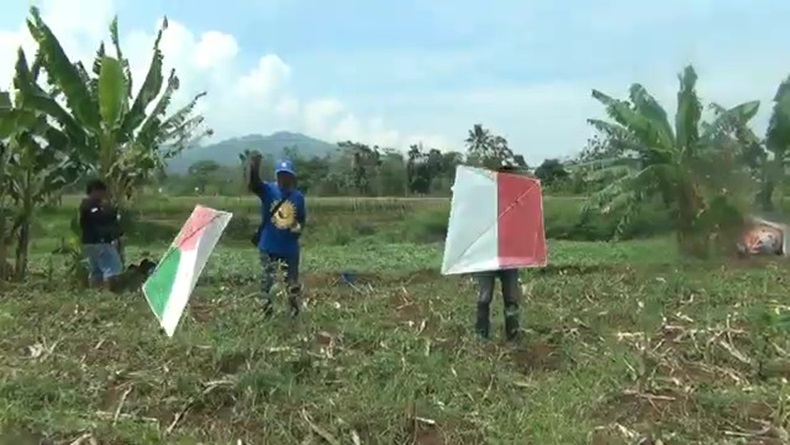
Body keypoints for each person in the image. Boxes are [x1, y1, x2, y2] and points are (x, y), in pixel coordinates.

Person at [247, 153, 306, 318]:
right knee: (267, 281)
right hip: (268, 246)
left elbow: (301, 220)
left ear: (292, 178)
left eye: (287, 175)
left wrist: (297, 228)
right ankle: (266, 314)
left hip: (289, 248)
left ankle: (294, 315)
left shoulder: (298, 198)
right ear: (276, 175)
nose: (283, 179)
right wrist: (254, 166)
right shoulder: (268, 190)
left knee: (292, 284)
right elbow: (254, 184)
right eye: (281, 175)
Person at [474, 163, 523, 341]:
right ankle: (481, 336)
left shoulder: (519, 201)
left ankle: (513, 335)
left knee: (511, 298)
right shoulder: (484, 200)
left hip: (510, 255)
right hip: (487, 255)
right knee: (484, 297)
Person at [79, 179, 123, 290]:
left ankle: (95, 295)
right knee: (111, 268)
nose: (104, 194)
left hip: (90, 243)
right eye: (102, 192)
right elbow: (100, 219)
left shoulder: (88, 205)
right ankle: (109, 293)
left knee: (96, 271)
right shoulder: (91, 205)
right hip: (100, 242)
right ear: (95, 191)